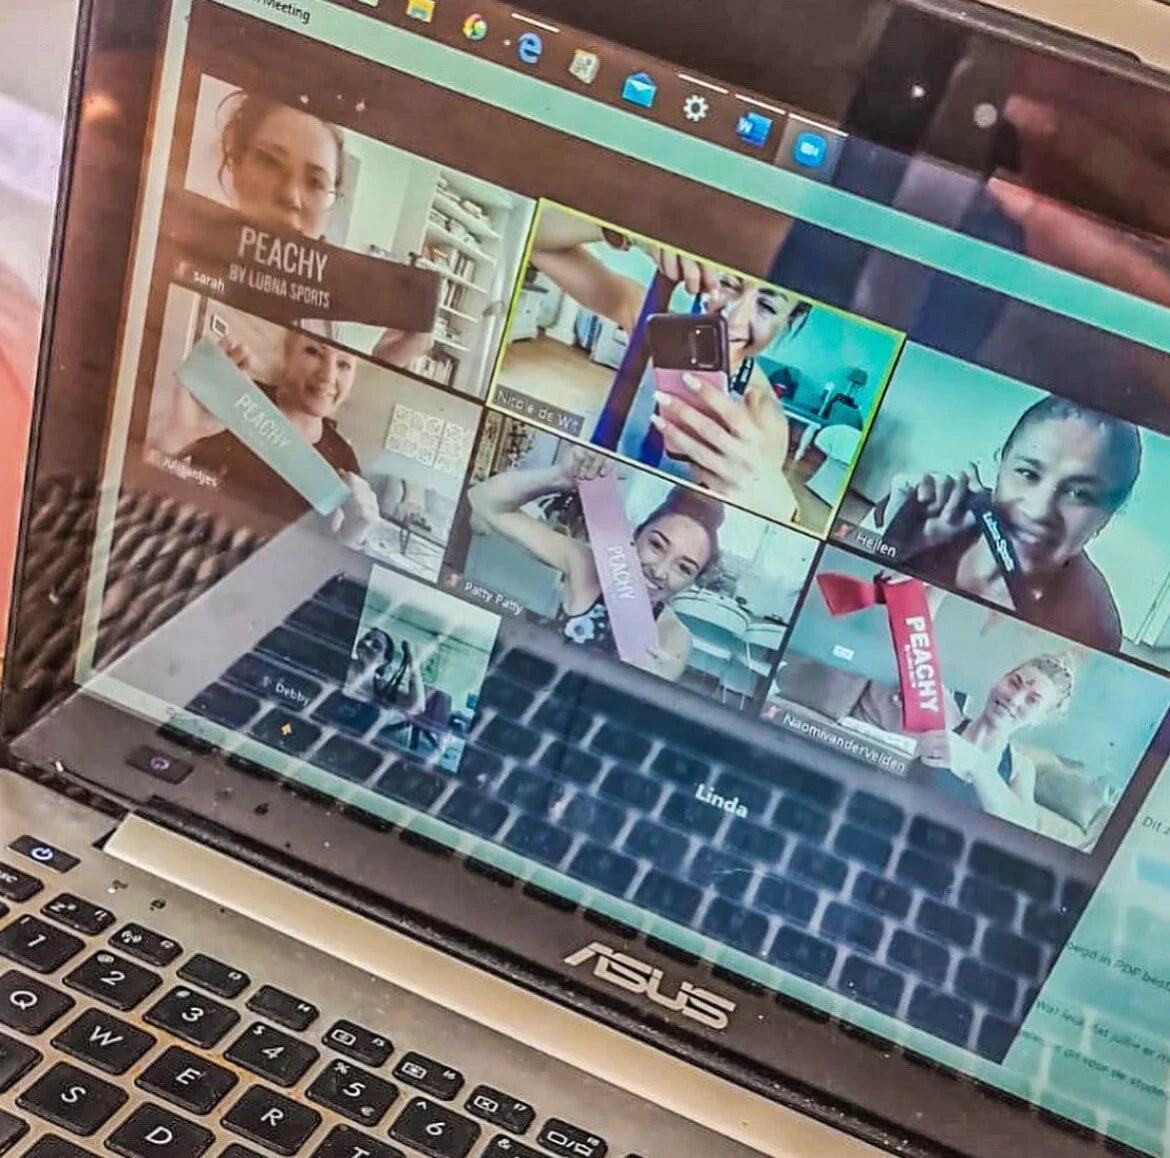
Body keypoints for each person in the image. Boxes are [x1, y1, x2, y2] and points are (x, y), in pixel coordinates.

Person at [529, 213, 809, 522]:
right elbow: (536, 239)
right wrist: (633, 232)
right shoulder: (656, 326)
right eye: (728, 283)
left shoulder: (763, 416)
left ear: (788, 321)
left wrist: (781, 506)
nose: (735, 319)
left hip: (642, 535)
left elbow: (752, 523)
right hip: (580, 498)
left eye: (767, 306)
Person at [871, 395, 1141, 651]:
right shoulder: (926, 511)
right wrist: (889, 541)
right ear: (1000, 466)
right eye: (1028, 473)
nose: (1038, 510)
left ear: (1105, 520)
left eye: (1079, 493)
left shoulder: (1094, 628)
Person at [214, 89, 432, 369]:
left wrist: (385, 364)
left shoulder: (326, 318)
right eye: (270, 161)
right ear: (236, 160)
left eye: (316, 182)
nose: (290, 196)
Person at [468, 446, 722, 680]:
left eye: (684, 568)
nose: (659, 571)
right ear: (636, 535)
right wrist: (557, 478)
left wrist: (649, 677)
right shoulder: (587, 565)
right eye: (656, 546)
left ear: (693, 582)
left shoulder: (674, 636)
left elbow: (645, 699)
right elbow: (483, 501)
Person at [178, 329, 380, 539]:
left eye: (344, 364)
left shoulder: (344, 459)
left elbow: (322, 549)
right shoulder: (236, 399)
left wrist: (352, 535)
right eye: (314, 352)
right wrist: (184, 432)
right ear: (287, 354)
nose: (328, 376)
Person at [912, 652, 1076, 832]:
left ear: (1038, 719)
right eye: (1014, 683)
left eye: (1032, 700)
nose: (1014, 699)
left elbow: (1024, 828)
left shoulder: (1020, 767)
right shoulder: (946, 717)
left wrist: (977, 764)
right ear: (1000, 679)